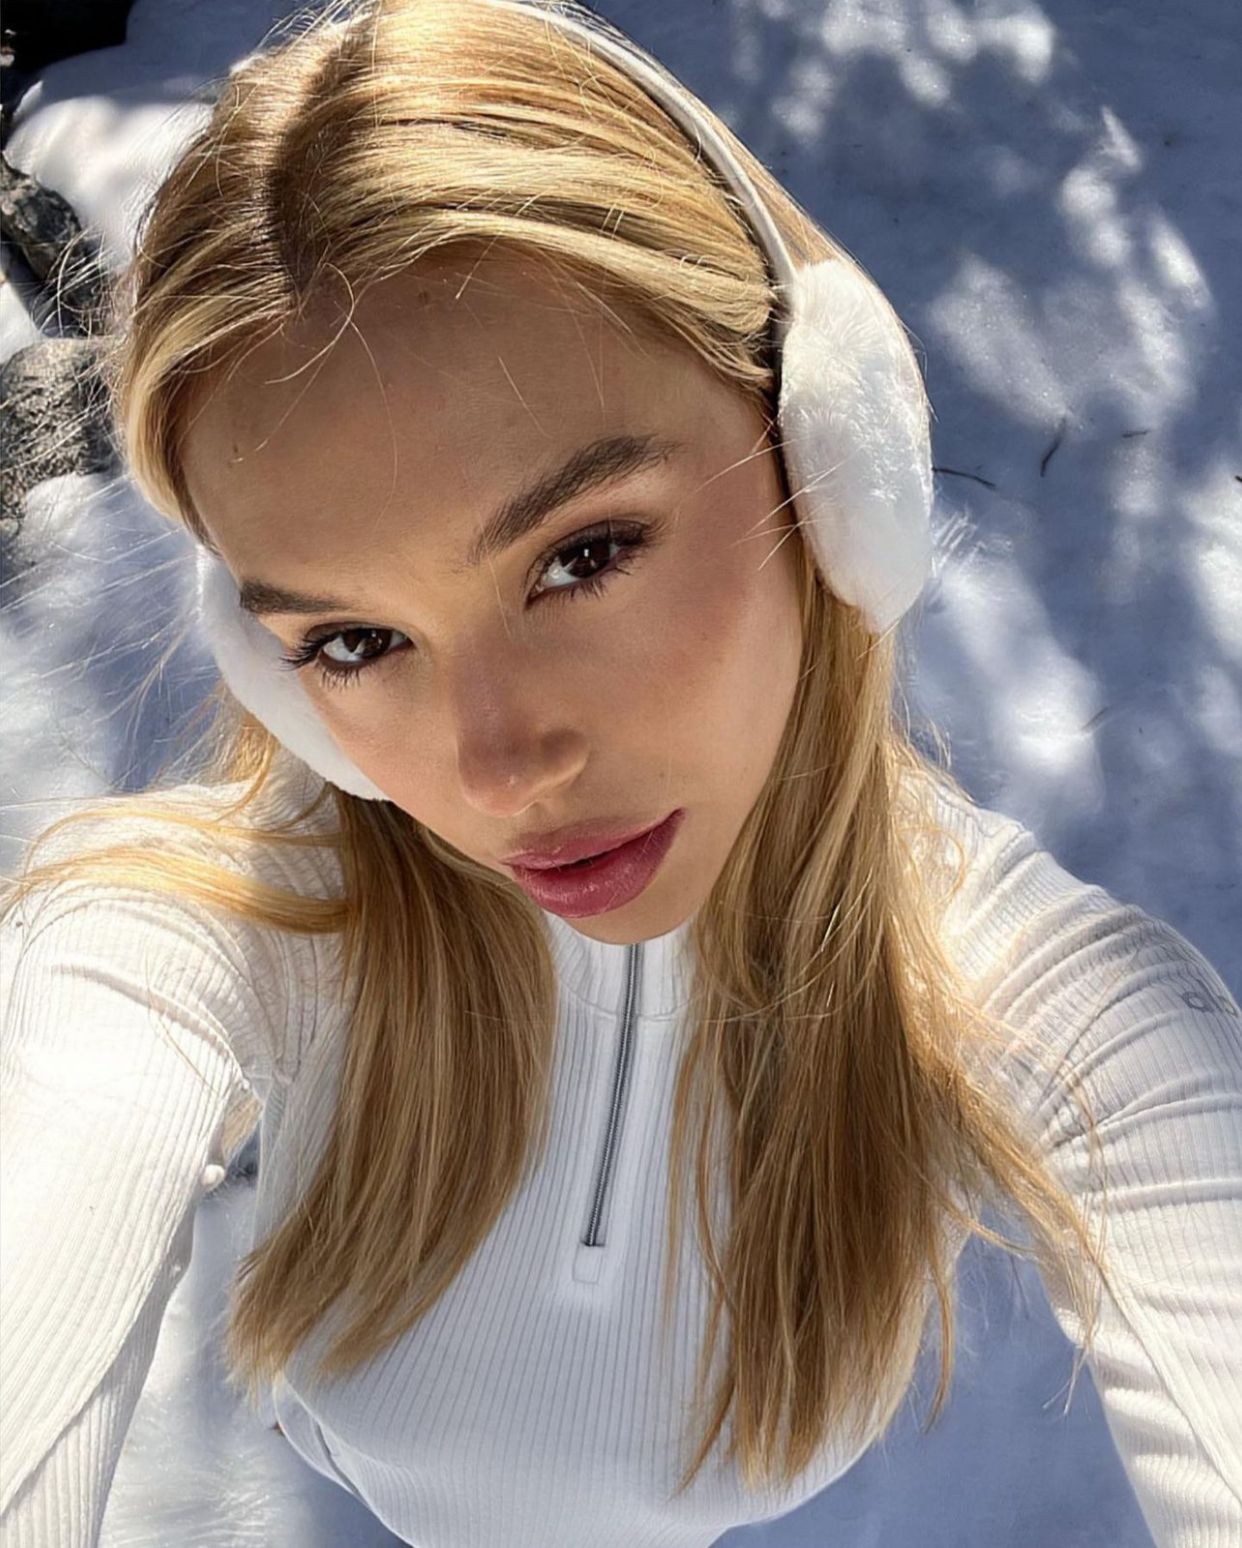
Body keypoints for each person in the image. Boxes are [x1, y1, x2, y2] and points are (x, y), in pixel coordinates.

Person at [1, 1, 1239, 1544]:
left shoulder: (1056, 1008)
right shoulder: (191, 940)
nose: (501, 764)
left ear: (825, 452)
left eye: (582, 555)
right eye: (353, 641)